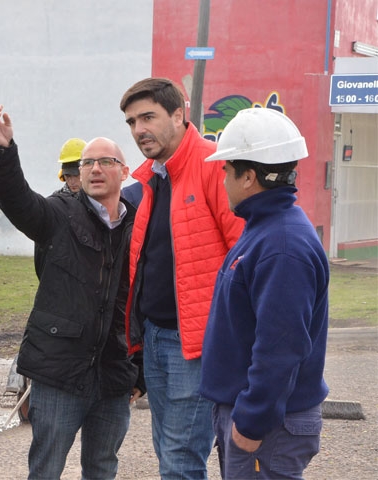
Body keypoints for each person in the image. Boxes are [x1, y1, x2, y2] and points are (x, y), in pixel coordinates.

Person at [0, 105, 145, 479]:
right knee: (46, 468)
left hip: (113, 374)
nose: (93, 169)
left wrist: (140, 373)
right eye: (87, 163)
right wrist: (4, 153)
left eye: (104, 161)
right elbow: (17, 201)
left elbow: (144, 304)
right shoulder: (59, 214)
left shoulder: (140, 226)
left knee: (103, 467)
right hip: (59, 372)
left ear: (124, 172)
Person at [119, 77, 245, 479]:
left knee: (180, 458)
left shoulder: (213, 166)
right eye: (132, 122)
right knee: (168, 451)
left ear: (178, 115)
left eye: (148, 117)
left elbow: (243, 256)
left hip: (196, 344)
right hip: (156, 337)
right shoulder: (154, 177)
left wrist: (231, 339)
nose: (139, 130)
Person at [200, 108, 329, 479]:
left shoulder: (281, 244)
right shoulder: (268, 228)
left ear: (249, 177)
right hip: (259, 416)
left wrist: (251, 422)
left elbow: (281, 346)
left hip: (267, 425)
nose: (222, 179)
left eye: (226, 170)